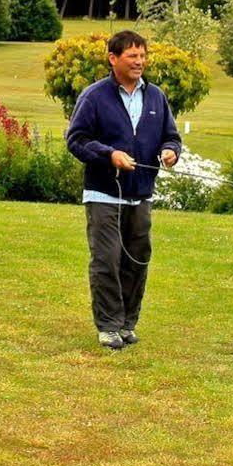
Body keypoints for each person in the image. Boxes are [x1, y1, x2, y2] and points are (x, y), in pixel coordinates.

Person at [64, 30, 183, 350]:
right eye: (132, 56)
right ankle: (108, 325)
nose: (139, 62)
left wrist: (170, 151)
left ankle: (128, 323)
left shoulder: (156, 96)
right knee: (107, 259)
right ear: (113, 58)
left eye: (143, 56)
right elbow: (76, 139)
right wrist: (109, 155)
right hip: (103, 193)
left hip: (140, 194)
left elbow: (171, 136)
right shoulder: (94, 96)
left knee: (138, 259)